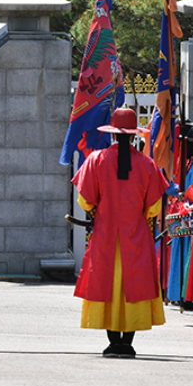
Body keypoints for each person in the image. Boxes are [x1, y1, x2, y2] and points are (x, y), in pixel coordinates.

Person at [72, 107, 167, 358]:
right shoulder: (147, 164)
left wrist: (98, 209)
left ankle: (114, 342)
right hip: (136, 236)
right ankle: (127, 343)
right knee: (133, 286)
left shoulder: (96, 160)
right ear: (135, 135)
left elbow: (85, 200)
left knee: (107, 285)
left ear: (112, 134)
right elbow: (154, 207)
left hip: (106, 236)